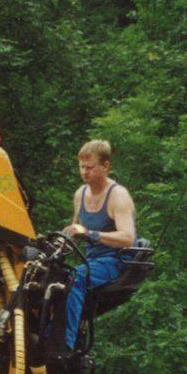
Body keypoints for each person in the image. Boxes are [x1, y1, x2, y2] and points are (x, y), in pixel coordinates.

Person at [61, 139, 136, 349]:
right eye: (81, 167)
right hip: (92, 260)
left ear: (105, 166)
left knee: (74, 279)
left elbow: (127, 237)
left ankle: (64, 344)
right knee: (53, 277)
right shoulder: (80, 194)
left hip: (115, 260)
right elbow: (74, 229)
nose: (85, 172)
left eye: (90, 167)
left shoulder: (118, 196)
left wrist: (91, 233)